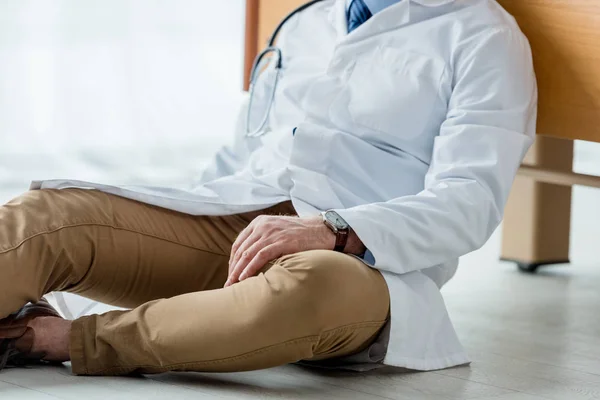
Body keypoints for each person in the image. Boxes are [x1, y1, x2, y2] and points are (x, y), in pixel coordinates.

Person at [0, 0, 536, 376]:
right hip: (240, 222)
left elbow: (468, 199)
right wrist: (160, 224)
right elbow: (242, 152)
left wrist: (334, 230)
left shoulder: (484, 37)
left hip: (358, 260)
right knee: (46, 217)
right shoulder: (304, 22)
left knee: (318, 289)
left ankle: (73, 342)